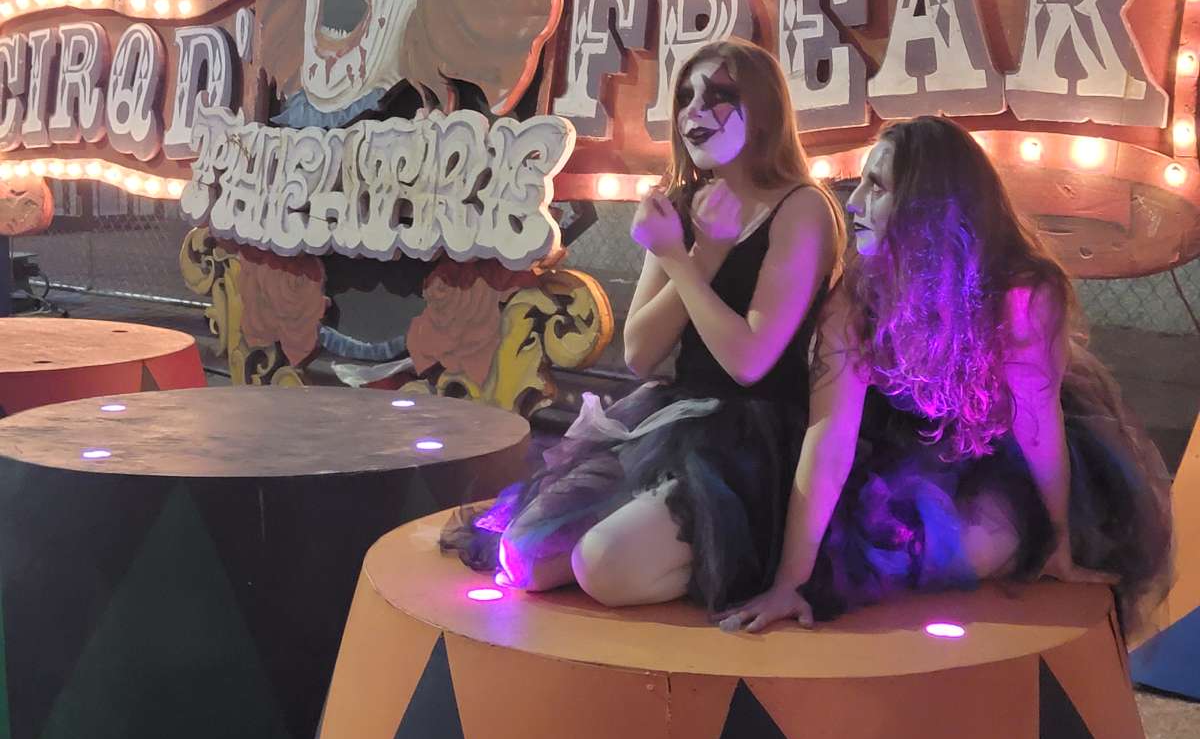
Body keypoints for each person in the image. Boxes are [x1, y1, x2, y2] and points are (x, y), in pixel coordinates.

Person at [718, 116, 1172, 632]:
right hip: (887, 448)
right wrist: (789, 582)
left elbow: (1037, 425)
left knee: (980, 545)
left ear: (928, 205)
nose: (853, 203)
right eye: (861, 183)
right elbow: (830, 441)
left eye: (877, 187)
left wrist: (1059, 541)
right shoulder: (856, 298)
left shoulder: (1020, 293)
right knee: (862, 554)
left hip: (991, 447)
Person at [440, 38, 846, 611]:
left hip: (753, 436)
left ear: (762, 111)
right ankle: (653, 536)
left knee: (603, 566)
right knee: (522, 557)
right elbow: (639, 354)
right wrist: (700, 255)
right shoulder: (677, 203)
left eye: (719, 95)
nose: (695, 111)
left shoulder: (801, 207)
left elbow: (749, 361)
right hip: (671, 415)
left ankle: (709, 553)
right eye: (686, 97)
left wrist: (683, 259)